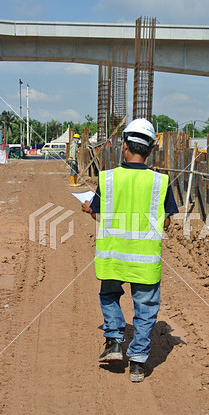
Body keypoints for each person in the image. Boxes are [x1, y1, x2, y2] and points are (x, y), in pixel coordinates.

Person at [82, 118, 179, 382]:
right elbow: (167, 222)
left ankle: (114, 342)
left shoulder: (109, 178)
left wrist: (89, 208)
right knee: (146, 309)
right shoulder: (160, 182)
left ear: (125, 146)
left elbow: (99, 215)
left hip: (113, 256)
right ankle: (137, 362)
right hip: (145, 261)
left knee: (110, 295)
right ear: (150, 150)